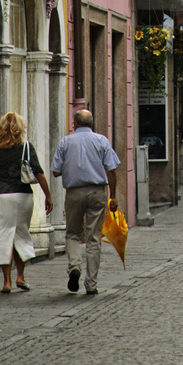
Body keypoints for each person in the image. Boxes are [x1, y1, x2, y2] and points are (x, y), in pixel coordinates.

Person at [0, 111, 53, 293]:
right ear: (20, 128)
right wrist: (48, 196)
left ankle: (6, 282)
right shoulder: (26, 147)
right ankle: (21, 276)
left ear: (0, 127)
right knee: (20, 233)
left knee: (3, 235)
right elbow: (39, 172)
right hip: (22, 195)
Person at [52, 109, 120, 295]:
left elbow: (55, 171)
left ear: (75, 124)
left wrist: (71, 166)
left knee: (73, 233)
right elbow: (112, 170)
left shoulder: (65, 142)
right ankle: (91, 284)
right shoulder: (101, 141)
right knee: (94, 237)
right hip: (97, 192)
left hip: (74, 193)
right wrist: (113, 196)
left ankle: (74, 266)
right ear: (92, 124)